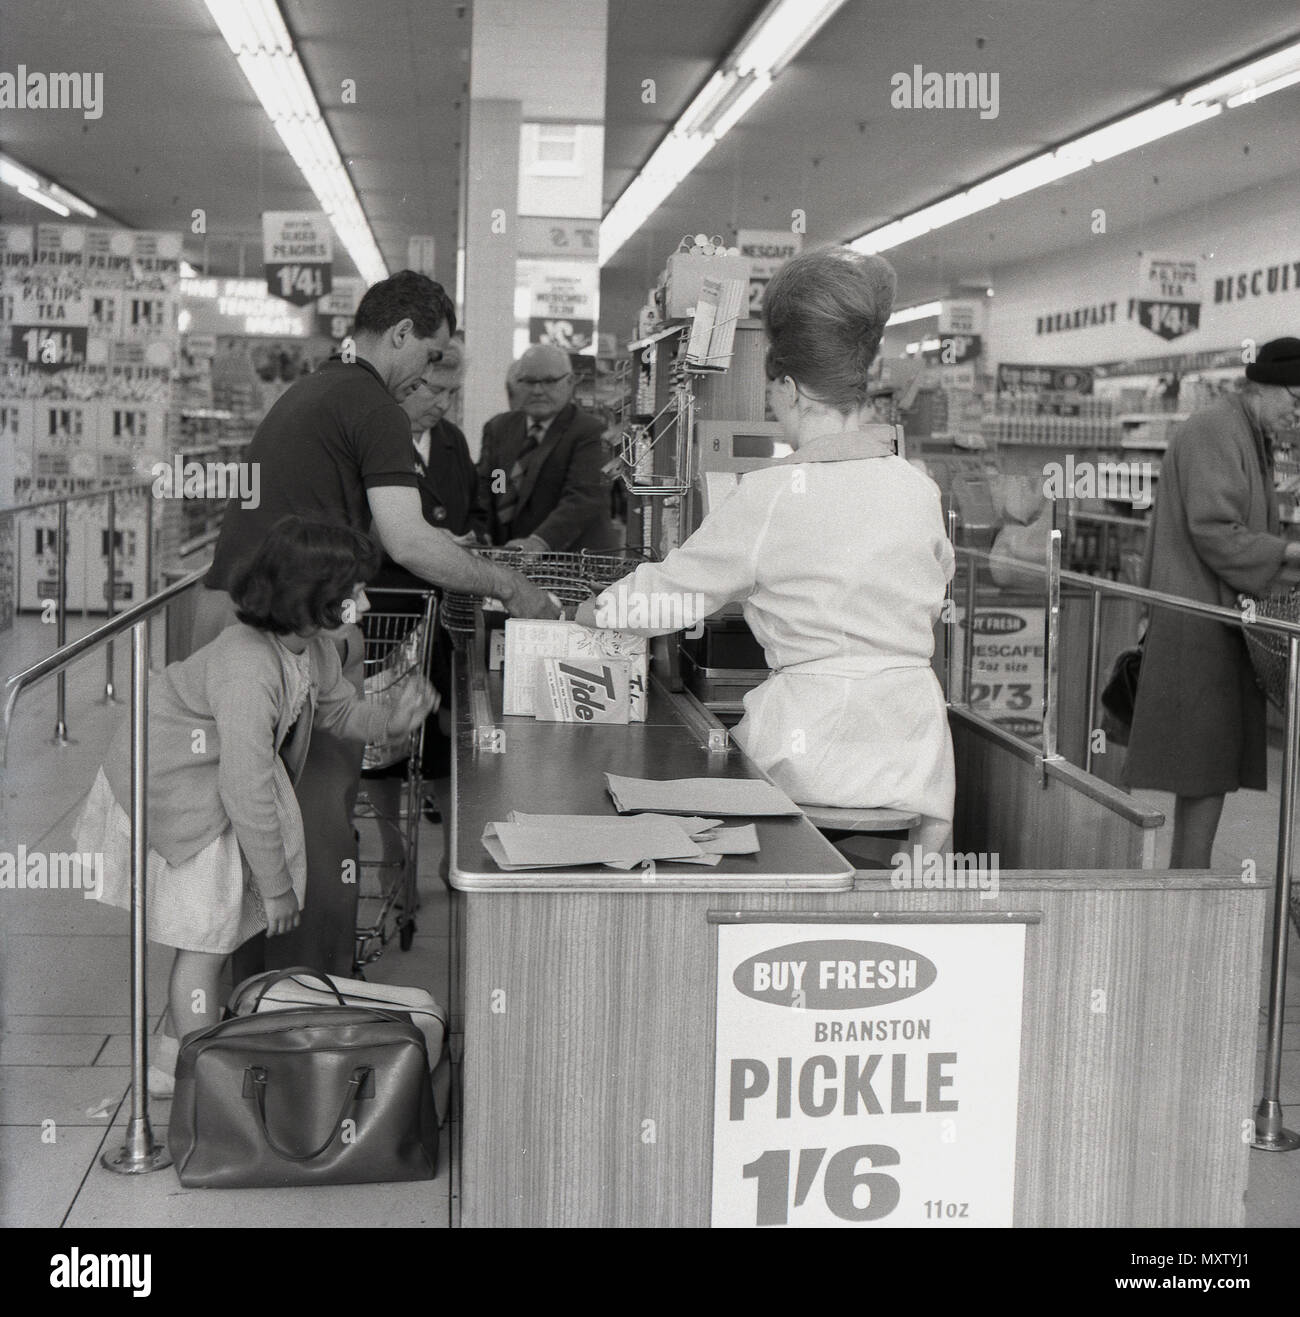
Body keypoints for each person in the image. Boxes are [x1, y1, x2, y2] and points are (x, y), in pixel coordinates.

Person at [194, 272, 557, 976]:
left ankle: (270, 993)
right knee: (312, 823)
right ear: (399, 335)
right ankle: (301, 1002)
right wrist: (509, 586)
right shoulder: (373, 405)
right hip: (276, 638)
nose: (432, 373)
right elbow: (409, 539)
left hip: (253, 619)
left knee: (280, 816)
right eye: (430, 355)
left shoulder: (316, 389)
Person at [578, 246, 955, 852]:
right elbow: (933, 583)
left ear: (791, 386)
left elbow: (664, 600)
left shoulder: (772, 493)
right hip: (916, 755)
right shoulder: (919, 489)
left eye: (771, 389)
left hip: (814, 750)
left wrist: (584, 613)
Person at [73, 519, 435, 1094]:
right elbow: (245, 788)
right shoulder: (248, 668)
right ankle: (206, 1090)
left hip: (207, 780)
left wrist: (392, 718)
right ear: (314, 600)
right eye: (354, 592)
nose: (364, 602)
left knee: (208, 937)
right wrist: (275, 886)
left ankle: (170, 1067)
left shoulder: (311, 648)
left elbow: (340, 712)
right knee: (206, 942)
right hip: (174, 788)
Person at [1125, 337, 1300, 867]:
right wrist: (1289, 552)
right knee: (1201, 759)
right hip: (1199, 619)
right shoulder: (1215, 431)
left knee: (1209, 762)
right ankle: (1187, 883)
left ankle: (1189, 877)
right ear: (1266, 388)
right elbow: (1214, 529)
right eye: (1295, 401)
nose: (1296, 415)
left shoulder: (1242, 430)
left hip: (1217, 612)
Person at [477, 342, 618, 552]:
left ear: (570, 382)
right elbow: (493, 482)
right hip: (512, 558)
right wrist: (482, 532)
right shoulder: (499, 428)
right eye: (529, 381)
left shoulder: (592, 432)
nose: (537, 390)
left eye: (549, 381)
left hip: (572, 565)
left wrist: (539, 542)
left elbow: (583, 497)